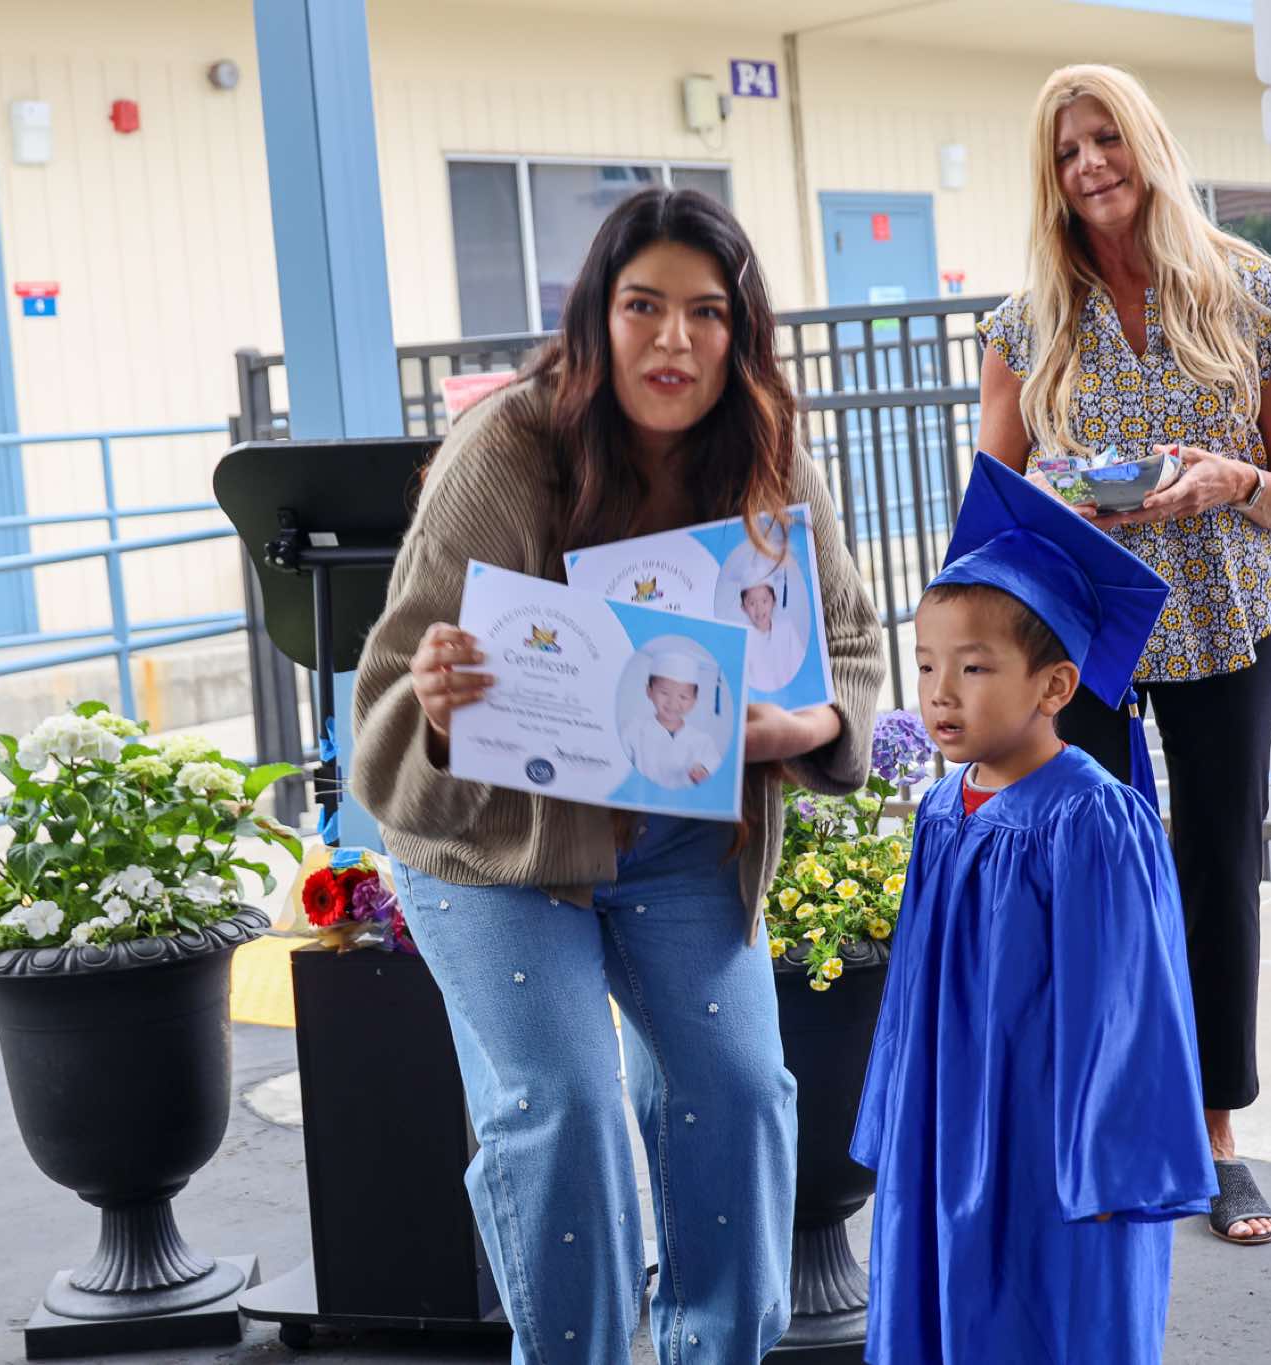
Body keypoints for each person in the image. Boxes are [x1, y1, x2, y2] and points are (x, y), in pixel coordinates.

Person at [350, 187, 886, 1363]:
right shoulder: (506, 450)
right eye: (643, 306)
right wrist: (435, 706)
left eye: (706, 312)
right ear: (597, 316)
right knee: (566, 1110)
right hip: (498, 853)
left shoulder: (767, 454)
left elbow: (847, 648)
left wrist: (797, 729)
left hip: (681, 840)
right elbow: (387, 698)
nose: (672, 340)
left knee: (739, 1092)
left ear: (740, 332)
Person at [975, 63, 1271, 1245]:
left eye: (1105, 139)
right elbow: (990, 505)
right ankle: (1102, 1123)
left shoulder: (1253, 296)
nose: (1088, 165)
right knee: (1086, 869)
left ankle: (1215, 1138)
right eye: (1066, 150)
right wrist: (1053, 499)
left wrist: (1233, 482)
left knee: (1213, 867)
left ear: (1146, 146)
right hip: (1080, 634)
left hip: (1227, 620)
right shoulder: (1024, 324)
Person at [851, 454, 1216, 1363]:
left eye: (974, 667)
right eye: (926, 664)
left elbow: (1130, 1005)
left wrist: (1110, 1158)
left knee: (1050, 1305)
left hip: (1052, 1136)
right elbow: (911, 994)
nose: (940, 692)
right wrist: (900, 1113)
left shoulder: (1092, 818)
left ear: (1055, 686)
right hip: (949, 1117)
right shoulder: (943, 809)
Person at [623, 650, 722, 788]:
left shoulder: (703, 742)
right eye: (664, 693)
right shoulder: (633, 731)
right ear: (649, 691)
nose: (673, 703)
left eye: (683, 697)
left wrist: (703, 772)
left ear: (694, 700)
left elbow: (715, 771)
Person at [739, 566, 807, 692]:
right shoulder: (743, 640)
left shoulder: (787, 630)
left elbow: (800, 667)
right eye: (752, 603)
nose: (759, 609)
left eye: (764, 601)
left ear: (774, 601)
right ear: (743, 607)